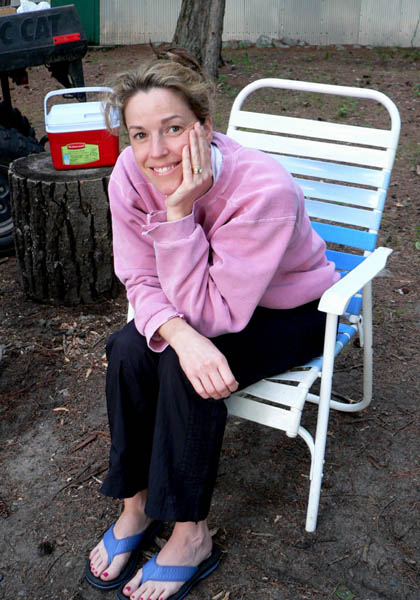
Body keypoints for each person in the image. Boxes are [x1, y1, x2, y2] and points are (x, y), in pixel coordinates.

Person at [86, 48, 339, 600]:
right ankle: (136, 505)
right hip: (201, 305)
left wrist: (179, 213)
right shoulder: (130, 172)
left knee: (186, 371)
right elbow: (138, 275)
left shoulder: (262, 192)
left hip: (290, 310)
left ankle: (190, 534)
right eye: (139, 134)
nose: (155, 152)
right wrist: (178, 334)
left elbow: (213, 314)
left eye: (173, 129)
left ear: (204, 126)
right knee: (127, 349)